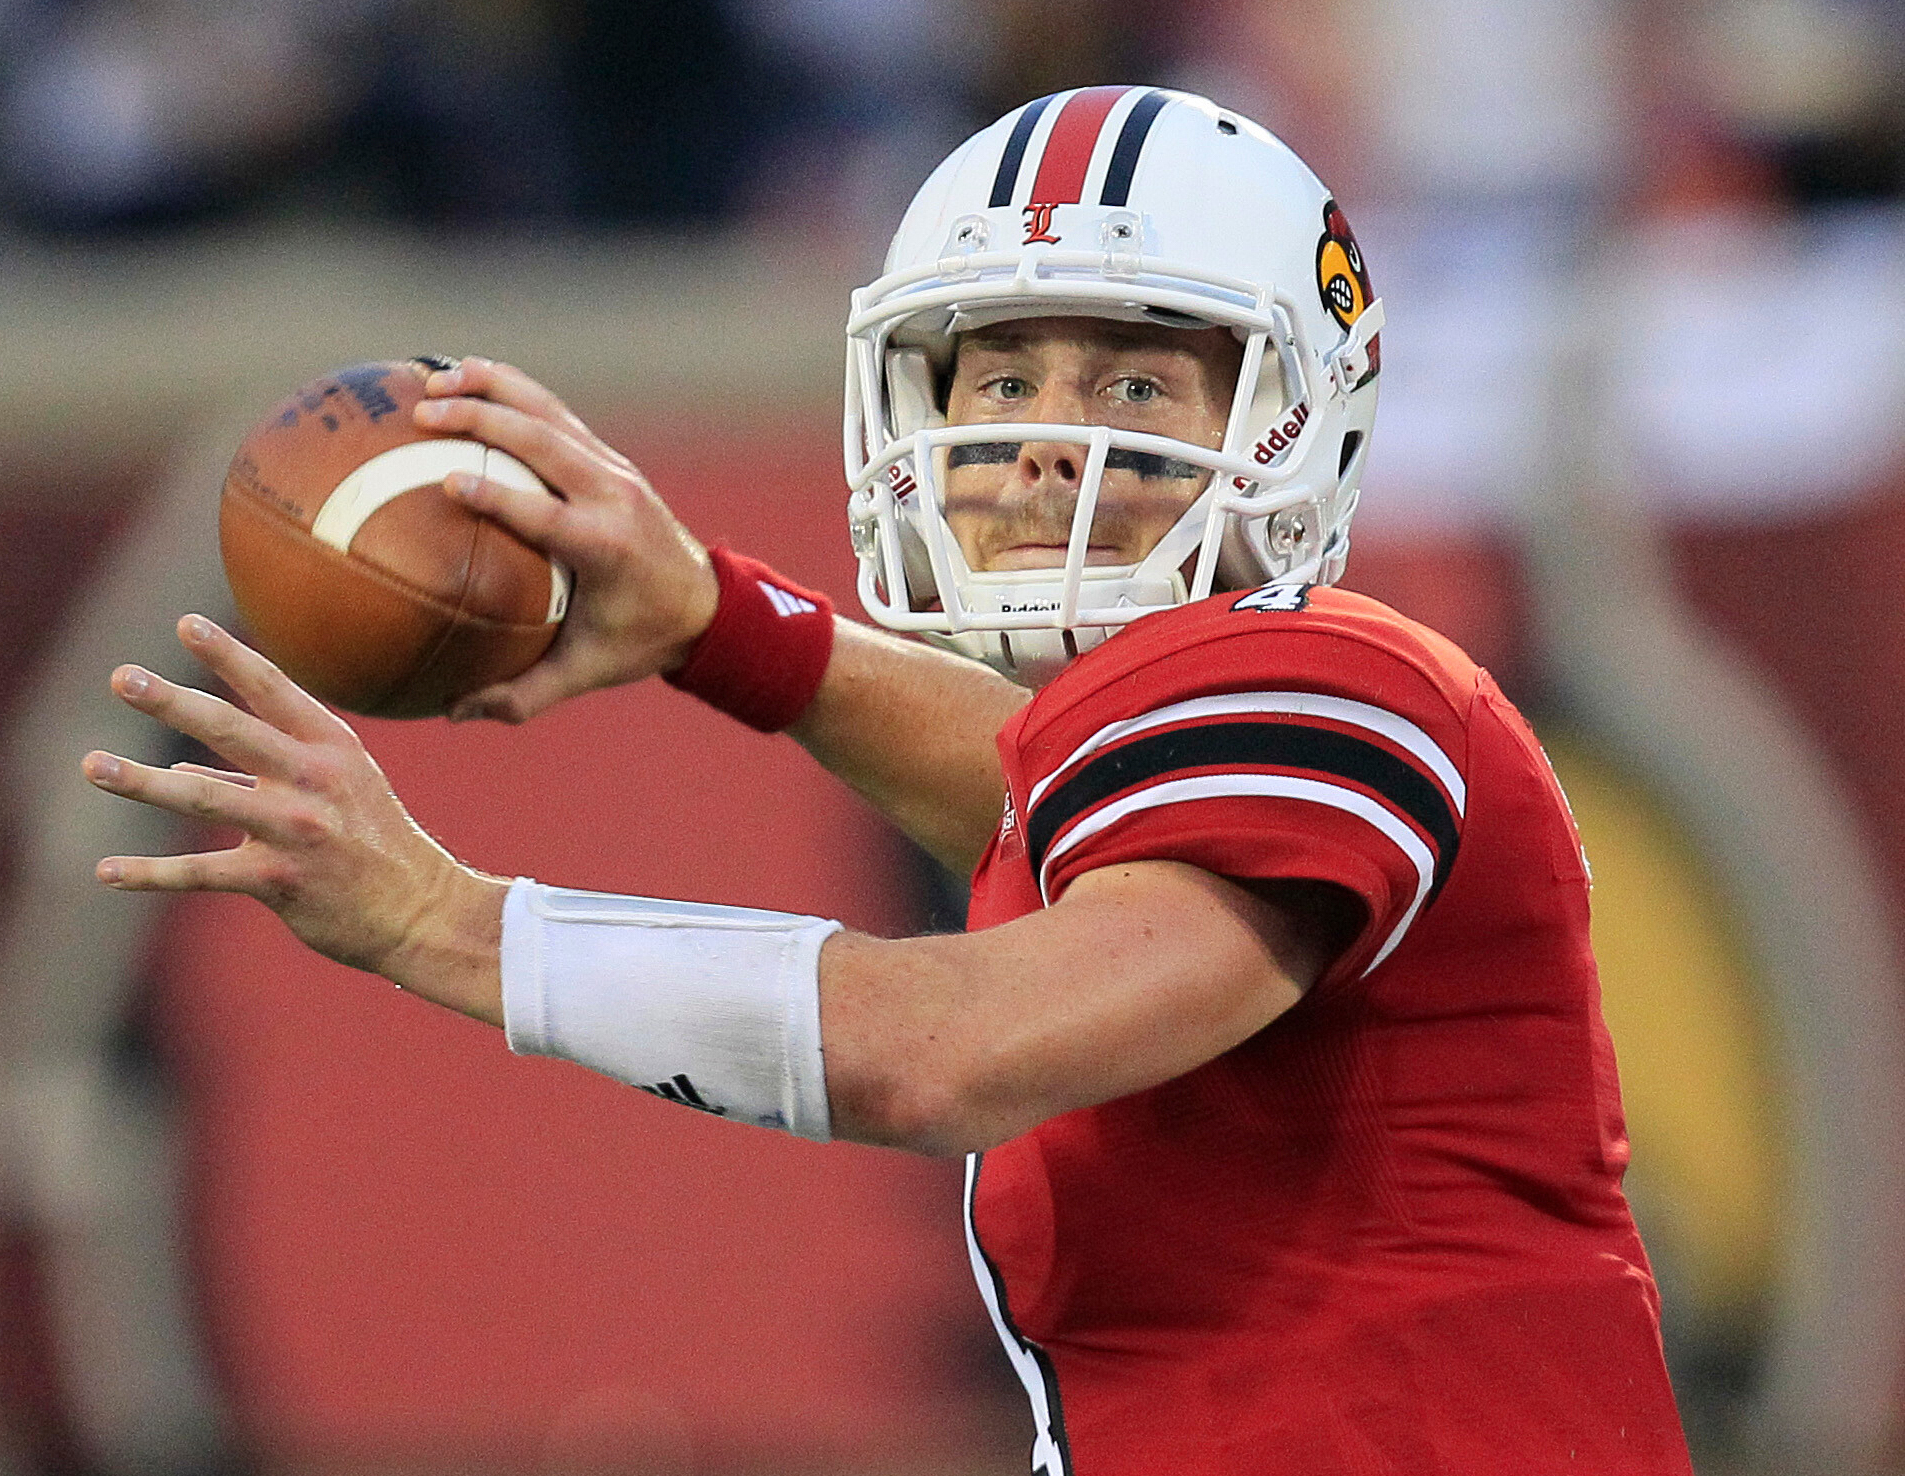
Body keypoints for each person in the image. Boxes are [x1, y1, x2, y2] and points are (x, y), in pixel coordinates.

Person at [83, 88, 1693, 1474]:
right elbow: (1025, 807)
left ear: (1290, 418)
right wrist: (722, 627)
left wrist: (443, 921)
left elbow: (950, 1051)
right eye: (1000, 380)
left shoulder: (1335, 675)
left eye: (1133, 383)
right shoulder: (1155, 750)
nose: (1049, 440)